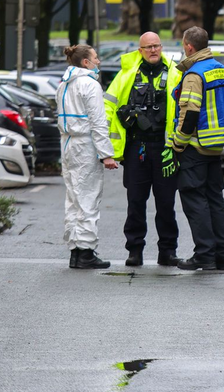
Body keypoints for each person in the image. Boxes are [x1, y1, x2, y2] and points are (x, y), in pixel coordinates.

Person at [105, 32, 181, 267]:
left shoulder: (176, 73)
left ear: (162, 47)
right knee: (136, 202)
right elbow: (108, 106)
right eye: (148, 47)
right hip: (136, 147)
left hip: (165, 148)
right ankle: (134, 250)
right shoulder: (126, 74)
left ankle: (167, 251)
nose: (153, 50)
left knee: (166, 203)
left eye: (156, 46)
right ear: (140, 50)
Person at [171, 26, 224, 271]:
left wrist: (179, 143)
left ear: (189, 46)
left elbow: (189, 113)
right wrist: (220, 134)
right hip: (216, 146)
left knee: (194, 200)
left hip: (195, 147)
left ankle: (204, 255)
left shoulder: (194, 75)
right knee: (216, 200)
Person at [55, 44, 118, 270]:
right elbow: (98, 122)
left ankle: (75, 250)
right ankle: (86, 252)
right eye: (95, 58)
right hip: (85, 145)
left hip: (68, 144)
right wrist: (106, 154)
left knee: (73, 199)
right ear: (85, 63)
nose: (98, 61)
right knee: (88, 198)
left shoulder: (64, 84)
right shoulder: (90, 85)